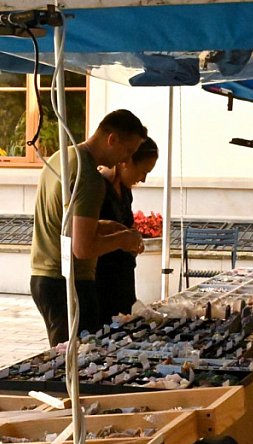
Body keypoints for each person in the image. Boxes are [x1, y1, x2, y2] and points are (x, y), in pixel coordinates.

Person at [30, 110, 148, 347]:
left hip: (43, 277)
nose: (125, 161)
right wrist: (122, 241)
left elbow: (65, 224)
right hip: (69, 280)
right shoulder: (90, 178)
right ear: (112, 139)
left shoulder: (61, 157)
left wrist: (107, 227)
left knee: (66, 356)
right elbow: (82, 248)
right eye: (127, 151)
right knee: (79, 361)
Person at [95, 137, 159, 325]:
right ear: (126, 162)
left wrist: (133, 238)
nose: (143, 179)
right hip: (102, 279)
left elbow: (126, 224)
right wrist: (122, 238)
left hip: (123, 276)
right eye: (143, 171)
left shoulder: (124, 190)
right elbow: (91, 232)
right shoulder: (98, 187)